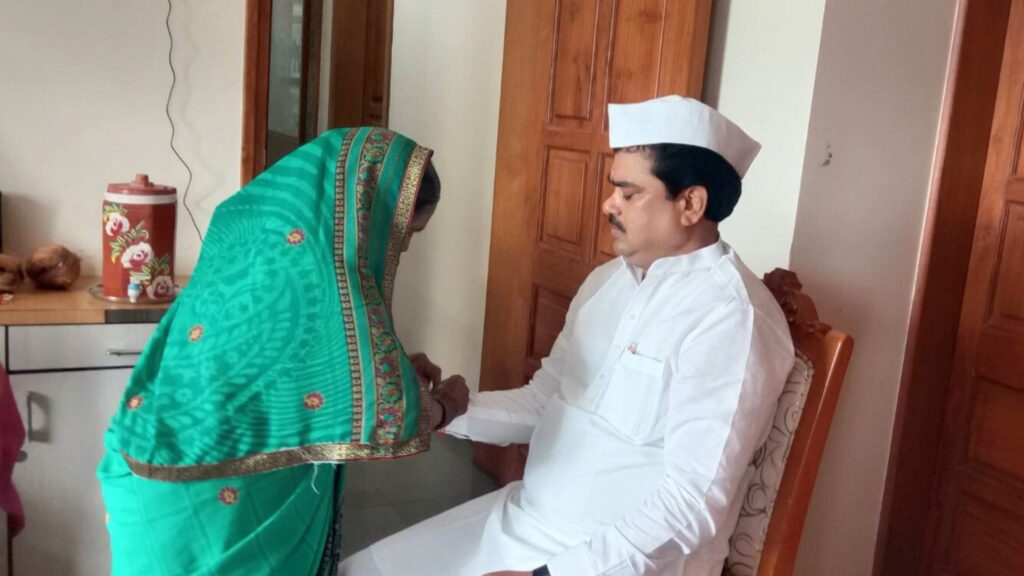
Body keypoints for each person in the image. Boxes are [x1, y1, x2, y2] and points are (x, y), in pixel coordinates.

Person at [340, 96, 796, 576]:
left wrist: (548, 575)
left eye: (628, 192)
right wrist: (438, 412)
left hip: (610, 563)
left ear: (690, 203)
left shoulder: (729, 318)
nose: (608, 204)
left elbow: (691, 505)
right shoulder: (610, 282)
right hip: (524, 521)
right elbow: (543, 403)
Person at [97, 126, 469, 576]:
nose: (403, 247)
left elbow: (290, 374)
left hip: (156, 466)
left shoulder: (255, 230)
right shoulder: (320, 275)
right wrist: (444, 407)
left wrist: (392, 370)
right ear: (371, 217)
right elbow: (385, 418)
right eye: (403, 233)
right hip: (208, 502)